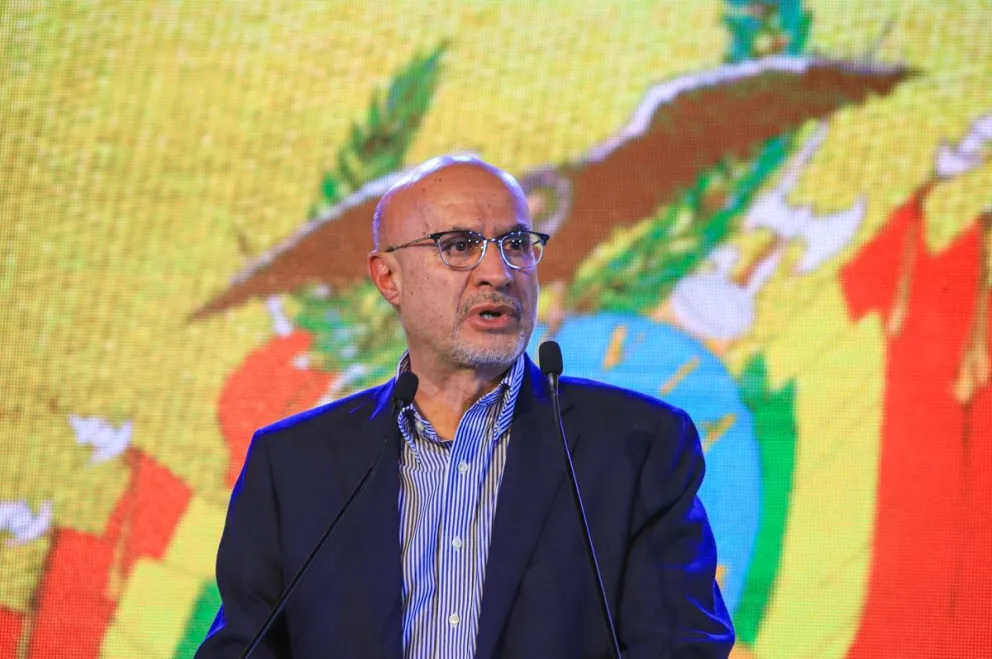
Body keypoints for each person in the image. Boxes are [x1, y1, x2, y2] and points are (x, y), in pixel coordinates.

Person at [195, 155, 734, 658]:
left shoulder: (633, 449)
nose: (498, 273)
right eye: (458, 246)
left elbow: (681, 646)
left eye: (517, 244)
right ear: (389, 278)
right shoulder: (294, 465)